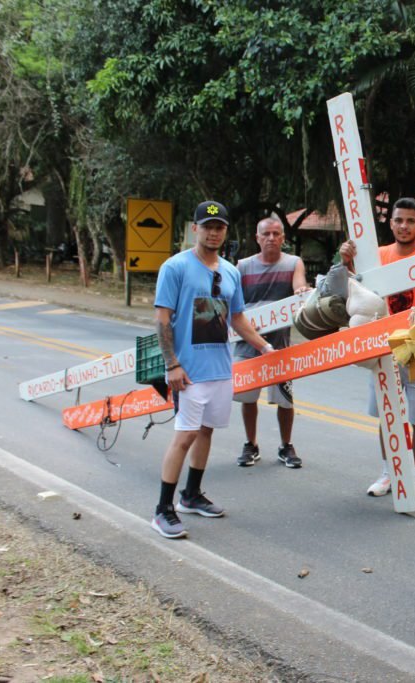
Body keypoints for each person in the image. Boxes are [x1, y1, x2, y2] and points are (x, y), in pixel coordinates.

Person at [151, 200, 277, 539]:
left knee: (206, 432)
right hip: (188, 371)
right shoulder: (175, 267)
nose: (213, 232)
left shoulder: (231, 271)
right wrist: (172, 364)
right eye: (207, 226)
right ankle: (163, 509)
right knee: (185, 436)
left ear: (225, 230)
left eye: (219, 226)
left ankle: (191, 495)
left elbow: (236, 318)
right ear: (195, 229)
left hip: (220, 368)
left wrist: (264, 346)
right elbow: (162, 319)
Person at [340, 197, 415, 509]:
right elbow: (351, 284)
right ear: (390, 224)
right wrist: (347, 259)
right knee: (387, 412)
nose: (404, 226)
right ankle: (389, 473)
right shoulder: (376, 256)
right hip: (384, 346)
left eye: (410, 221)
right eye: (398, 220)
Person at [233, 217, 310, 469]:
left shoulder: (293, 263)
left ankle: (286, 445)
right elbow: (233, 304)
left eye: (277, 234)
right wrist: (245, 319)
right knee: (247, 398)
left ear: (283, 238)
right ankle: (250, 443)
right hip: (247, 343)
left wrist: (301, 291)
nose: (271, 238)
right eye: (266, 234)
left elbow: (299, 286)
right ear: (257, 238)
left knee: (285, 399)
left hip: (280, 344)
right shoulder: (242, 267)